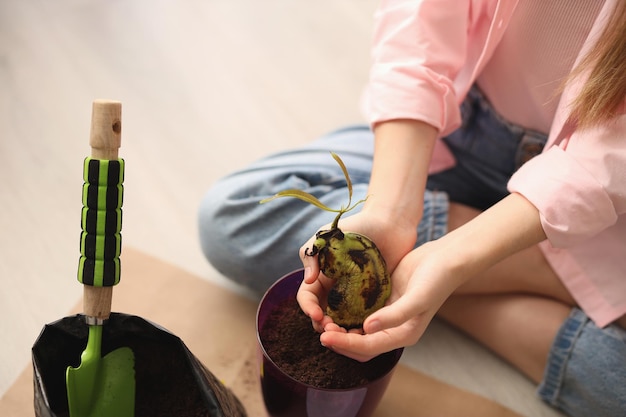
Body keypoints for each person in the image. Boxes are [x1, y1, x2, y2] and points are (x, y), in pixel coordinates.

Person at [198, 1, 626, 416]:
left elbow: (607, 161)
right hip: (450, 128)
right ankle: (549, 273)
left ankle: (492, 275)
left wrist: (451, 262)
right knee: (232, 219)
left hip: (605, 205)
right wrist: (390, 212)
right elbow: (419, 22)